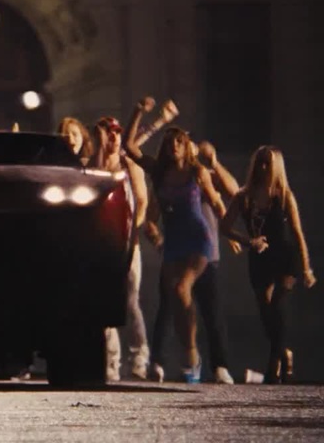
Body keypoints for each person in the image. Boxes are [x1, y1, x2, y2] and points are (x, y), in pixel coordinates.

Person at [128, 127, 227, 384]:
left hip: (198, 239)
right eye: (171, 142)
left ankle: (198, 358)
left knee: (186, 291)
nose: (175, 145)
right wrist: (140, 111)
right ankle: (186, 353)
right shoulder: (160, 174)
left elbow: (219, 201)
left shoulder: (198, 172)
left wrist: (234, 234)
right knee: (173, 299)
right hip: (173, 242)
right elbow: (130, 148)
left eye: (180, 141)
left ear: (187, 146)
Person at [220, 146, 315, 383]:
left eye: (267, 163)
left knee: (278, 304)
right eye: (260, 162)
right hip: (260, 258)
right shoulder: (243, 197)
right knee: (265, 310)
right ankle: (284, 353)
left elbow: (297, 233)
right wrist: (248, 241)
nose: (263, 167)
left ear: (276, 168)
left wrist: (306, 268)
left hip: (285, 257)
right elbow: (225, 227)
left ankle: (274, 365)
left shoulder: (283, 196)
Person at [91, 117, 151, 381]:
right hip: (99, 243)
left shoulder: (129, 165)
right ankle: (110, 361)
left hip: (126, 243)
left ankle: (139, 357)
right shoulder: (94, 165)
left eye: (117, 131)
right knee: (101, 301)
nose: (113, 136)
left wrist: (131, 233)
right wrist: (99, 148)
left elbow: (142, 202)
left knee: (129, 300)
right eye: (108, 132)